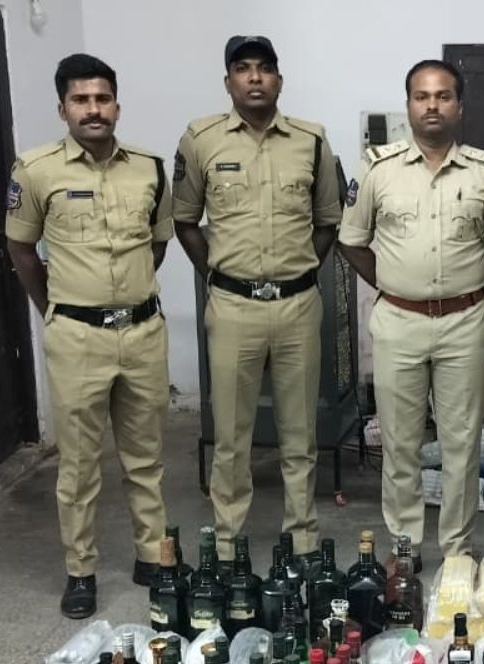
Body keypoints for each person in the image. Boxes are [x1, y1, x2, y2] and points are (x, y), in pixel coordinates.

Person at [6, 54, 173, 618]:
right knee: (79, 466)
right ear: (63, 109)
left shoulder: (149, 169)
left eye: (102, 99)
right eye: (81, 100)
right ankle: (80, 570)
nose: (93, 109)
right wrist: (56, 309)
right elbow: (21, 250)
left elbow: (157, 243)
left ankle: (153, 555)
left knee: (145, 456)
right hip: (77, 337)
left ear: (117, 106)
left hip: (142, 331)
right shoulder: (35, 171)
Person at [338, 60, 484, 571]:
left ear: (459, 106)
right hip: (399, 322)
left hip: (464, 322)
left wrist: (469, 288)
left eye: (443, 96)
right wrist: (393, 284)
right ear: (409, 106)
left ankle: (457, 549)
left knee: (462, 442)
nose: (432, 105)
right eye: (422, 96)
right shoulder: (378, 169)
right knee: (400, 442)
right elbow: (352, 240)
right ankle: (405, 547)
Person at [172, 35, 341, 561]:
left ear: (279, 81)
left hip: (297, 306)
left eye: (264, 68)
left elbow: (327, 221)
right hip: (233, 307)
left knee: (300, 434)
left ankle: (303, 538)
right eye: (243, 69)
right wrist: (221, 275)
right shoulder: (201, 140)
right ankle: (227, 543)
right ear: (228, 82)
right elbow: (185, 220)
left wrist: (298, 271)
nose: (254, 78)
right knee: (231, 436)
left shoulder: (311, 140)